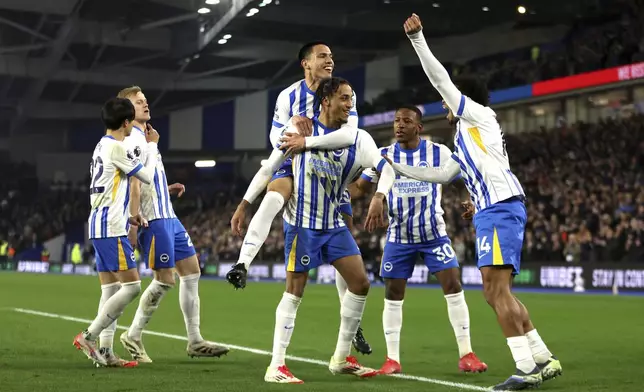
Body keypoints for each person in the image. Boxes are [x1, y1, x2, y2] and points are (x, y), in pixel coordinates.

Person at [387, 14, 562, 390]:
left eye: (449, 103)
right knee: (501, 292)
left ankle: (525, 369)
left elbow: (439, 80)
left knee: (493, 291)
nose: (445, 108)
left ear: (461, 101)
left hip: (499, 209)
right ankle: (543, 358)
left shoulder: (477, 116)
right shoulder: (464, 141)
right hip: (493, 210)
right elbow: (439, 175)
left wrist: (418, 39)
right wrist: (396, 164)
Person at [235, 77, 393, 383]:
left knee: (360, 284)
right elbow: (269, 167)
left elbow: (385, 168)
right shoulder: (298, 131)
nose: (350, 104)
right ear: (326, 101)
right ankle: (276, 366)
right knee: (295, 291)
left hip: (334, 224)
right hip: (302, 225)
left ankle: (340, 358)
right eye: (345, 98)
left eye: (352, 99)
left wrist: (378, 196)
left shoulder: (358, 138)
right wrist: (244, 203)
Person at [227, 42, 372, 355]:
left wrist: (311, 139)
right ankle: (243, 262)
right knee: (276, 194)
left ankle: (351, 321)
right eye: (323, 56)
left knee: (345, 244)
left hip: (331, 169)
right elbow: (275, 140)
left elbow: (352, 133)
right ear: (306, 63)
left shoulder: (344, 92)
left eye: (332, 56)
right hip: (295, 159)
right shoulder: (288, 96)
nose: (330, 60)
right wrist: (294, 132)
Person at [349, 105, 487, 374]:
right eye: (396, 120)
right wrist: (336, 189)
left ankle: (467, 354)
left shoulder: (438, 152)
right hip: (399, 236)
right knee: (393, 293)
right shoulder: (383, 155)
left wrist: (467, 198)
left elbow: (459, 179)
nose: (399, 125)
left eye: (406, 121)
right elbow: (361, 187)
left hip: (433, 234)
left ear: (418, 127)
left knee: (453, 284)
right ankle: (392, 359)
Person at [113, 86, 229, 363]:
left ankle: (195, 340)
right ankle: (133, 334)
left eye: (145, 100)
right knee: (165, 280)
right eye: (138, 102)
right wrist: (132, 225)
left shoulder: (145, 137)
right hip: (153, 220)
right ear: (127, 111)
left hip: (169, 217)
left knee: (192, 272)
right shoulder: (135, 141)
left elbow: (148, 178)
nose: (145, 103)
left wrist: (165, 187)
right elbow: (134, 183)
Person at [72, 97, 158, 367]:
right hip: (111, 226)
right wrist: (152, 145)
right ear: (126, 122)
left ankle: (107, 352)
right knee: (132, 287)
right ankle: (90, 336)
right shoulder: (118, 148)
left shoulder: (101, 145)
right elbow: (147, 177)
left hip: (99, 224)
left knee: (110, 289)